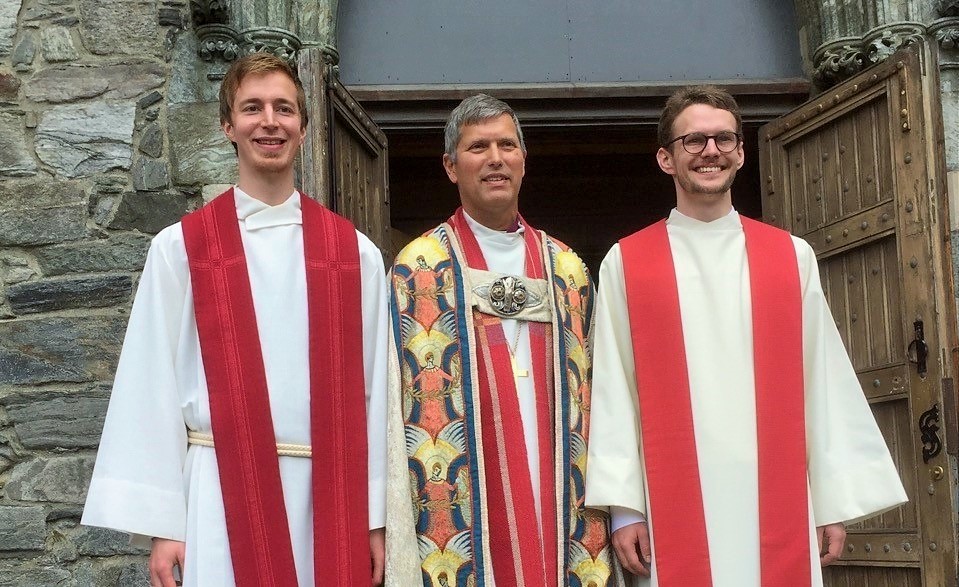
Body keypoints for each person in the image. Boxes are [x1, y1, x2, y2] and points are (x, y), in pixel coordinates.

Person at [81, 52, 388, 587]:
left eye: (284, 109)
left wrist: (375, 519)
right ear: (228, 126)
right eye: (252, 108)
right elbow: (150, 383)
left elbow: (378, 393)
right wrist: (163, 525)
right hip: (218, 497)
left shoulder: (354, 255)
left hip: (331, 498)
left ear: (304, 127)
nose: (270, 121)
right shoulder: (181, 248)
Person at [584, 85, 908, 586]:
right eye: (693, 141)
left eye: (723, 139)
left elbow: (821, 380)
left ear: (740, 152)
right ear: (666, 158)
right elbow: (612, 390)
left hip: (777, 498)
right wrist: (626, 508)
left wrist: (829, 500)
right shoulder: (627, 262)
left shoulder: (789, 256)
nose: (710, 151)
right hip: (671, 504)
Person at [385, 94, 623, 586]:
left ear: (523, 161)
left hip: (561, 496)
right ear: (451, 166)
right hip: (463, 500)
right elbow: (389, 403)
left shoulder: (568, 269)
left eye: (507, 145)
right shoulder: (416, 268)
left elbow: (606, 394)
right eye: (478, 148)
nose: (495, 158)